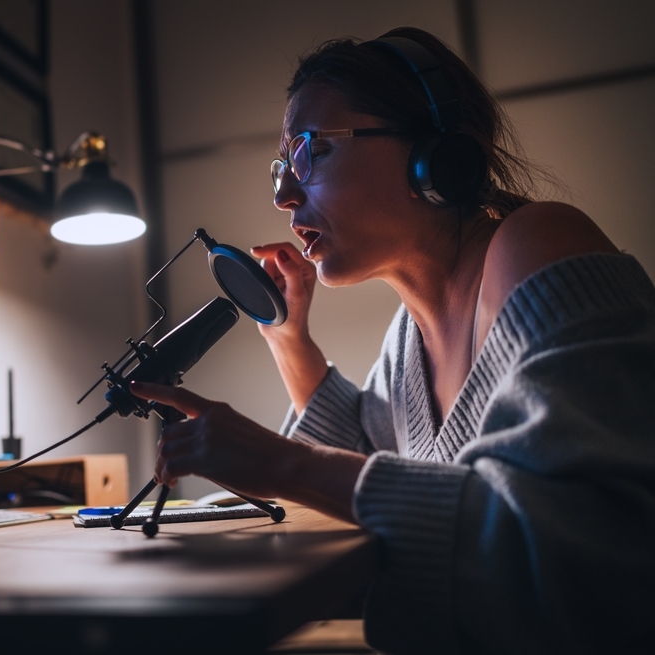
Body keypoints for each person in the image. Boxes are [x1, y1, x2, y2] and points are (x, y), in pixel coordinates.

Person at [128, 27, 655, 655]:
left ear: (428, 156)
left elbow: (601, 567)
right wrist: (287, 335)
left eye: (311, 152)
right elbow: (365, 451)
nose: (281, 194)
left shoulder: (537, 245)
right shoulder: (411, 332)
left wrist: (281, 462)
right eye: (282, 166)